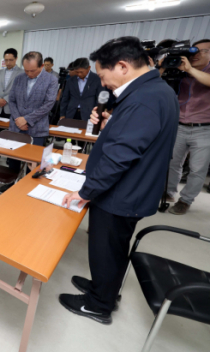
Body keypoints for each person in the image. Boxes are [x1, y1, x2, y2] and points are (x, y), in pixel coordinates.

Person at [59, 36, 179, 325]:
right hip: (131, 190)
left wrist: (86, 192)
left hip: (121, 194)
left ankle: (99, 305)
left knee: (106, 247)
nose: (103, 83)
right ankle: (104, 288)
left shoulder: (144, 100)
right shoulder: (153, 91)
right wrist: (111, 120)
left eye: (103, 75)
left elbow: (120, 157)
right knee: (111, 249)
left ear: (123, 66)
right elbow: (133, 139)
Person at [0, 51, 57, 193]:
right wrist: (19, 119)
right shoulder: (19, 78)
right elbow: (12, 100)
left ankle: (29, 189)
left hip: (37, 127)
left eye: (32, 71)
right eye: (26, 70)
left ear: (42, 66)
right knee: (14, 159)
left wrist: (27, 119)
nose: (29, 74)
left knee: (33, 162)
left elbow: (48, 104)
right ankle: (12, 183)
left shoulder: (51, 80)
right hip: (16, 125)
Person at [165, 39, 210, 215]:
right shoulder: (180, 69)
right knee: (173, 163)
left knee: (197, 168)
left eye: (203, 51)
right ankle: (169, 192)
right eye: (194, 51)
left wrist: (190, 70)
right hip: (179, 125)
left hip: (204, 129)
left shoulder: (192, 70)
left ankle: (186, 200)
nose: (196, 55)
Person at [0, 48, 23, 119]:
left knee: (9, 129)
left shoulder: (22, 73)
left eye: (11, 60)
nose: (8, 62)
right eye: (6, 60)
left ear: (16, 58)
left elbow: (19, 90)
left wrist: (5, 99)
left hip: (11, 109)